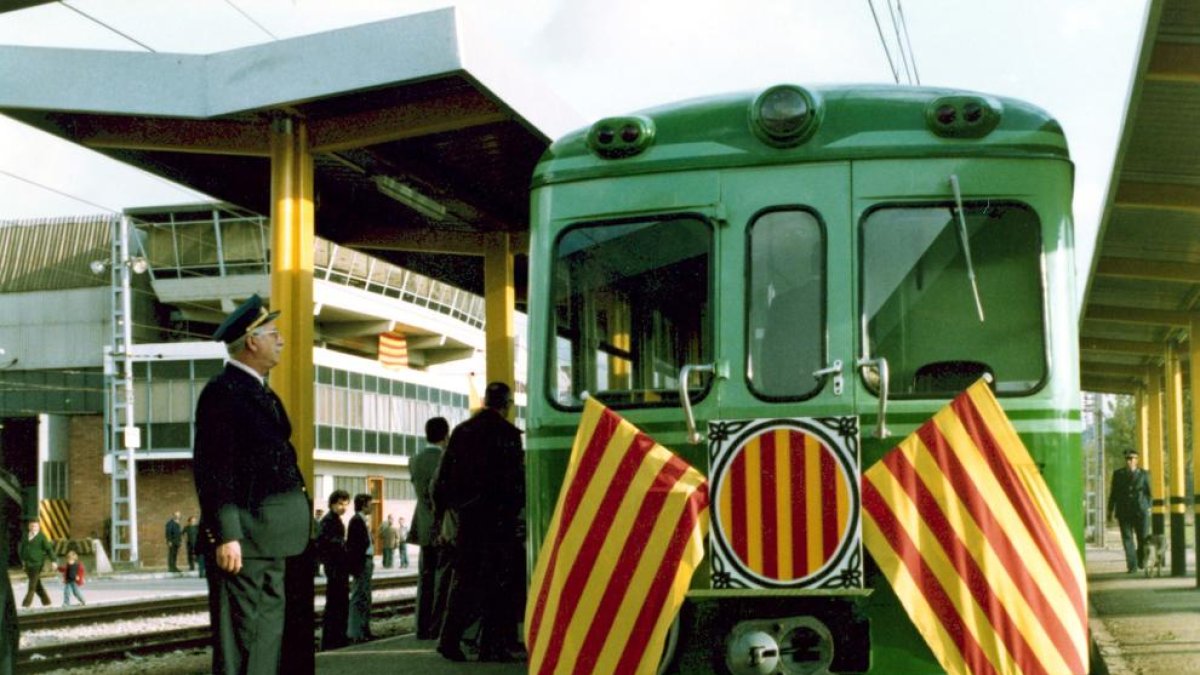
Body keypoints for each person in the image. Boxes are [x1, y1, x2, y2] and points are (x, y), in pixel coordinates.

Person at [192, 294, 311, 674]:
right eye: (273, 333)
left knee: (265, 637)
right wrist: (227, 534)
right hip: (245, 539)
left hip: (270, 538)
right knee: (243, 640)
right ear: (251, 341)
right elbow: (214, 469)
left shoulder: (259, 390)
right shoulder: (223, 392)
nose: (280, 340)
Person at [434, 382, 525, 662]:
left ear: (486, 401)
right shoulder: (509, 435)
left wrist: (444, 515)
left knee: (465, 581)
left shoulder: (462, 431)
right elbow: (515, 483)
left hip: (469, 520)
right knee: (499, 583)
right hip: (499, 521)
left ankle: (449, 640)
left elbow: (444, 479)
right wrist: (516, 513)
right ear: (507, 405)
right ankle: (491, 646)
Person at [409, 416, 449, 640]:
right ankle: (437, 627)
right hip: (444, 528)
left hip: (423, 528)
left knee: (425, 579)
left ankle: (421, 628)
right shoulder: (447, 458)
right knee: (443, 580)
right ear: (446, 434)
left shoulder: (414, 460)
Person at [315, 490, 351, 651]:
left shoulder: (334, 520)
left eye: (346, 504)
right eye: (340, 504)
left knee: (338, 603)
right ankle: (334, 640)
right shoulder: (329, 521)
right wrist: (341, 545)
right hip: (335, 568)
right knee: (336, 604)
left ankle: (336, 638)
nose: (343, 507)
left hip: (337, 567)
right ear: (332, 504)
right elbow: (323, 543)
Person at [1108, 449, 1152, 574]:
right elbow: (1114, 494)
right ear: (1125, 460)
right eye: (1128, 458)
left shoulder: (1144, 474)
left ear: (1137, 460)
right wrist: (1110, 510)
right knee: (1127, 539)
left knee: (1142, 538)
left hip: (1140, 511)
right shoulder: (1118, 474)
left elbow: (1149, 493)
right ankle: (1132, 566)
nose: (1130, 461)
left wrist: (1147, 506)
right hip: (1124, 511)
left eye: (1133, 458)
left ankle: (1141, 560)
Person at [346, 493, 375, 643]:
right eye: (370, 504)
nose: (372, 507)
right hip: (362, 563)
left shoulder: (361, 520)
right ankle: (356, 633)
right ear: (363, 505)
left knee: (365, 597)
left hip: (366, 561)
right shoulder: (357, 521)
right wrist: (357, 566)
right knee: (359, 597)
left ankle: (364, 630)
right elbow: (355, 547)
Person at [18, 519, 54, 608]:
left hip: (37, 564)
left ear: (38, 527)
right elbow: (22, 549)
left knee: (32, 585)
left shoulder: (41, 537)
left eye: (35, 526)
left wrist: (54, 560)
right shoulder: (26, 536)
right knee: (37, 584)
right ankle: (47, 602)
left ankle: (26, 604)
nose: (33, 527)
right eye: (31, 526)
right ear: (29, 526)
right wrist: (22, 561)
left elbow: (49, 549)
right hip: (27, 564)